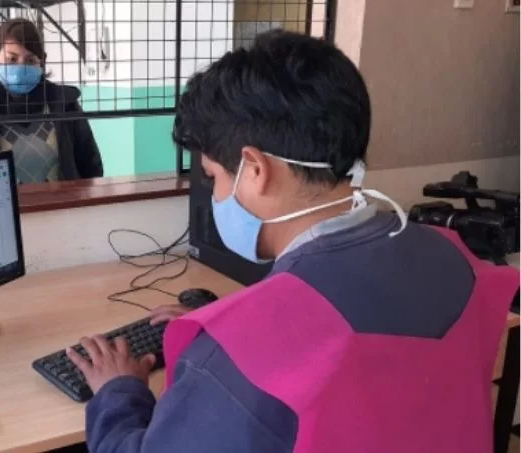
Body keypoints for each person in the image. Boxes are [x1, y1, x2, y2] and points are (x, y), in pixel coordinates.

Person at [65, 30, 520, 453]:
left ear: (254, 170)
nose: (214, 193)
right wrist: (229, 331)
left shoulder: (241, 357)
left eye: (213, 176)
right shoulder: (452, 256)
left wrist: (118, 391)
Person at [0, 18, 103, 183]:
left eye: (30, 60)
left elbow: (91, 167)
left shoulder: (65, 104)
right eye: (12, 59)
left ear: (41, 62)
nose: (21, 67)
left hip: (62, 200)